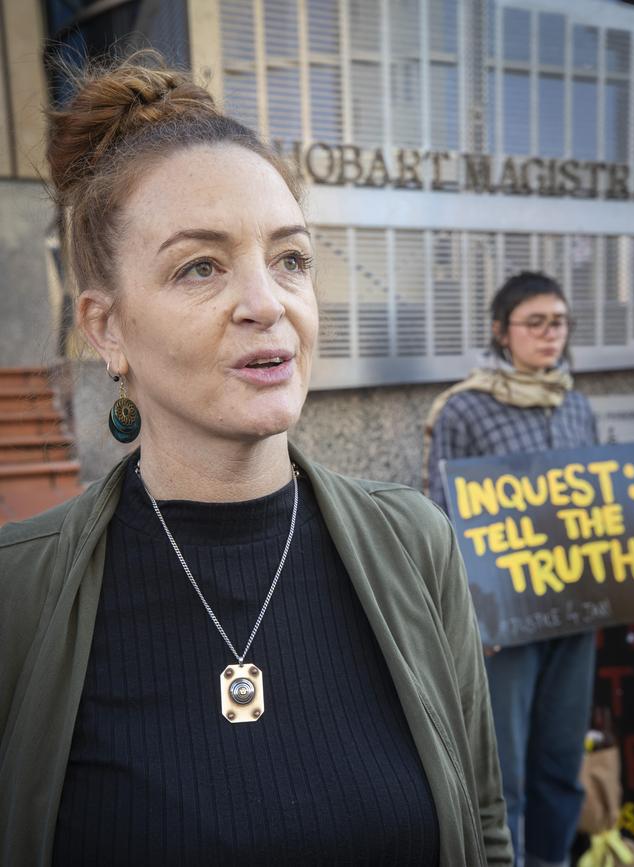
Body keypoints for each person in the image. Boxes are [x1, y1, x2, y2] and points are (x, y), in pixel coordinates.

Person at [0, 55, 512, 866]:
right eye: (200, 265)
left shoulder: (417, 546)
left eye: (291, 259)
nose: (267, 304)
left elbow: (483, 824)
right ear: (106, 328)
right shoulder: (16, 597)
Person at [424, 271, 598, 867]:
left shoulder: (576, 404)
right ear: (503, 332)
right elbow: (442, 518)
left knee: (561, 762)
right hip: (506, 623)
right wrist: (473, 615)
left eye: (560, 322)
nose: (552, 335)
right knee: (507, 775)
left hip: (576, 609)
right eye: (537, 322)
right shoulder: (465, 409)